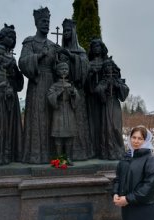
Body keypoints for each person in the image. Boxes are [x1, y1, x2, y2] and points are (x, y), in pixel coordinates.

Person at [18, 7, 58, 164]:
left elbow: (59, 65)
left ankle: (53, 154)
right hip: (37, 83)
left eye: (48, 21)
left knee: (52, 117)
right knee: (37, 117)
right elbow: (22, 62)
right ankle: (36, 155)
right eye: (43, 21)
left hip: (52, 84)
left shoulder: (53, 45)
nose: (46, 24)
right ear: (36, 23)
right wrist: (38, 56)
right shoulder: (30, 42)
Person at [59, 18, 93, 160]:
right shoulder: (61, 50)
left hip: (77, 91)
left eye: (68, 31)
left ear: (73, 32)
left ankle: (80, 152)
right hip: (63, 92)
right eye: (64, 31)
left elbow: (85, 67)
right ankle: (64, 154)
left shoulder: (80, 51)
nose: (66, 33)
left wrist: (71, 56)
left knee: (79, 122)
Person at [95, 57, 129, 160]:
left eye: (110, 66)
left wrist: (117, 85)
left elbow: (125, 90)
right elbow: (98, 90)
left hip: (114, 103)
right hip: (106, 105)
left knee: (116, 127)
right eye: (106, 66)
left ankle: (119, 151)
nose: (108, 68)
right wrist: (104, 86)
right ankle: (108, 152)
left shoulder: (117, 79)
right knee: (107, 128)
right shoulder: (103, 80)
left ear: (113, 67)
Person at [47, 62, 80, 165]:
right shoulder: (54, 85)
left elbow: (77, 99)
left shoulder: (70, 85)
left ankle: (68, 158)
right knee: (58, 136)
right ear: (57, 71)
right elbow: (50, 97)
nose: (64, 71)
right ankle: (59, 159)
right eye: (62, 69)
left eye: (66, 69)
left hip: (69, 111)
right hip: (59, 112)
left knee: (69, 136)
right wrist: (58, 93)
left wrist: (74, 94)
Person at [86, 38, 109, 157]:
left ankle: (103, 149)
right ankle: (93, 149)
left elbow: (112, 76)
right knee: (92, 123)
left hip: (103, 98)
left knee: (104, 122)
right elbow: (84, 81)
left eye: (98, 46)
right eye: (94, 47)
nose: (96, 49)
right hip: (91, 97)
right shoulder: (88, 63)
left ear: (102, 48)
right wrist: (90, 73)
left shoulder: (107, 62)